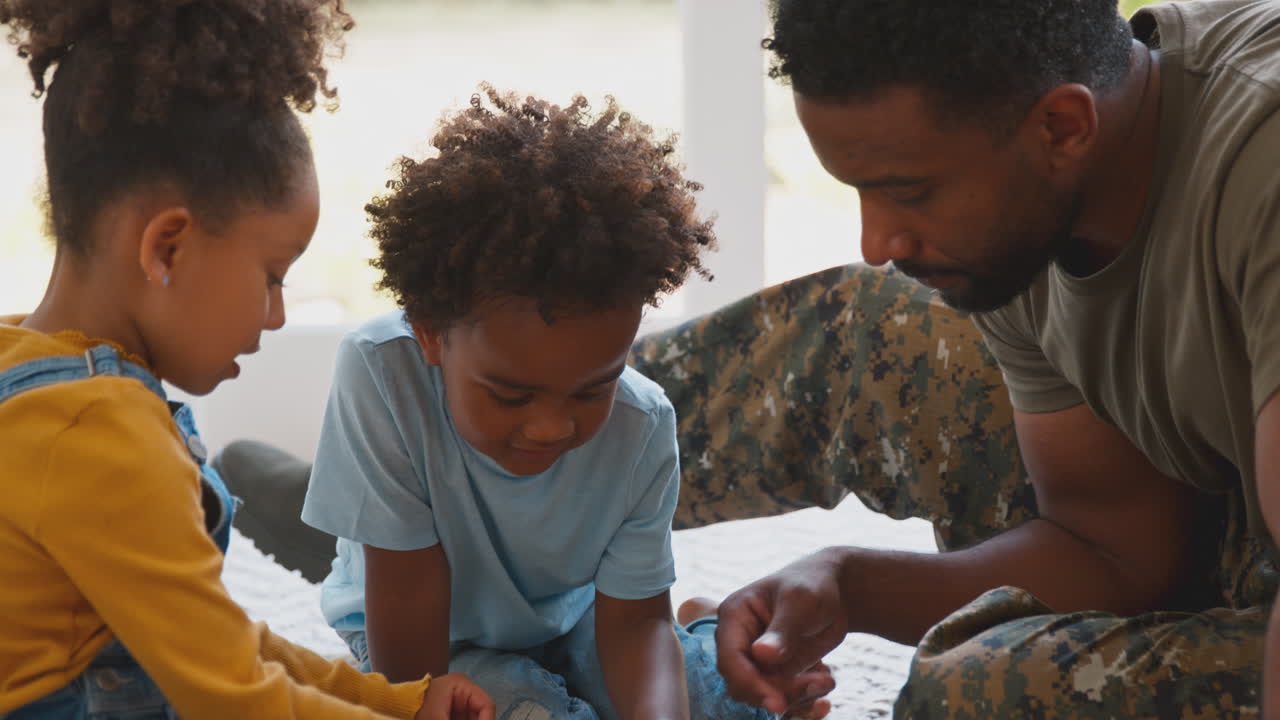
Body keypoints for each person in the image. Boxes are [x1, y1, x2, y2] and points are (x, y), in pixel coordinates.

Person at [659, 0, 1280, 717]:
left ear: (1063, 128)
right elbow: (1117, 550)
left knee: (979, 693)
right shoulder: (1051, 189)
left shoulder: (1259, 161)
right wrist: (848, 583)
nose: (878, 238)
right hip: (1223, 499)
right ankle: (504, 474)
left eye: (909, 191)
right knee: (873, 323)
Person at [0, 1, 492, 717]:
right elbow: (234, 698)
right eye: (272, 274)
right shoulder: (103, 438)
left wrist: (394, 700)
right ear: (167, 247)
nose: (277, 314)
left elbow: (221, 641)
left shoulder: (29, 365)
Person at [296, 86, 832, 720]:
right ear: (432, 332)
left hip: (577, 625)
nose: (551, 425)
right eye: (510, 394)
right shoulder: (382, 372)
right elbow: (410, 630)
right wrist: (421, 700)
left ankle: (703, 630)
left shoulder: (643, 423)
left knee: (733, 705)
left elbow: (633, 626)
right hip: (422, 639)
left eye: (592, 388)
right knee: (513, 707)